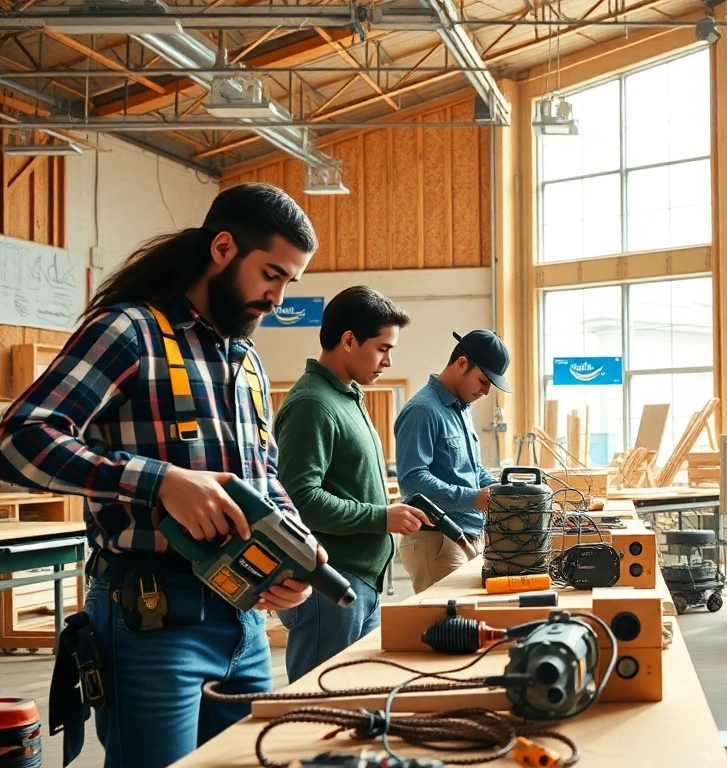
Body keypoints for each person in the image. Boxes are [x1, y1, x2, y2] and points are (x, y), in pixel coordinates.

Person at [0, 183, 324, 768]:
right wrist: (158, 480)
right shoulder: (129, 332)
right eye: (270, 274)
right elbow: (21, 441)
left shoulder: (244, 359)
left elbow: (264, 475)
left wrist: (293, 549)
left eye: (288, 283)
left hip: (244, 623)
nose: (278, 298)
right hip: (152, 619)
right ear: (223, 248)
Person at [272, 286, 430, 682]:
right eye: (382, 348)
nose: (388, 362)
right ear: (348, 340)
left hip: (359, 582)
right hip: (330, 582)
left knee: (352, 695)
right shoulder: (313, 403)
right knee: (319, 702)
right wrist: (381, 517)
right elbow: (300, 501)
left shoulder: (346, 396)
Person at [394, 329, 510, 592]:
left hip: (466, 536)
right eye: (482, 380)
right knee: (447, 629)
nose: (485, 390)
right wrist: (473, 498)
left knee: (464, 627)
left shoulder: (461, 409)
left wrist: (501, 492)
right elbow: (412, 481)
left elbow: (473, 470)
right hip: (437, 540)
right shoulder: (423, 410)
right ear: (461, 363)